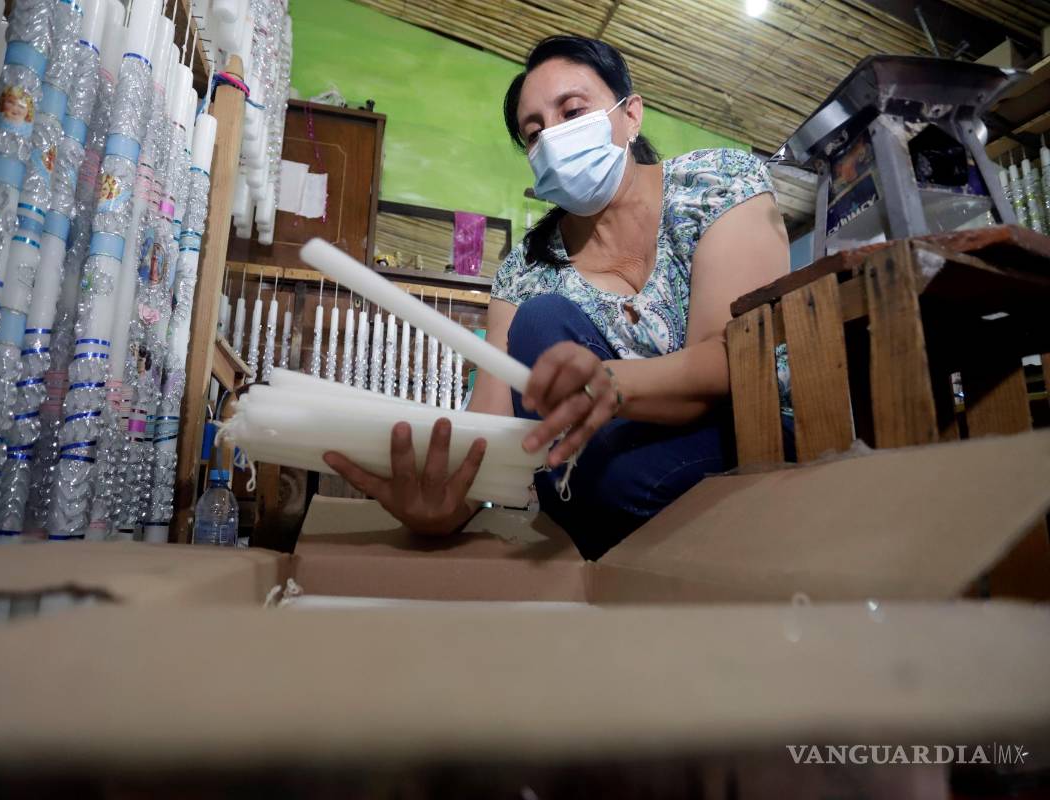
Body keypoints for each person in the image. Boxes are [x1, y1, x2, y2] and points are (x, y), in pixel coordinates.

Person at [325, 35, 790, 560]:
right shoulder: (525, 271)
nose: (554, 137)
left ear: (630, 114)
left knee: (607, 484)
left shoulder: (717, 185)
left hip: (745, 435)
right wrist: (442, 507)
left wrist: (611, 383)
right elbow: (493, 432)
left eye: (572, 110)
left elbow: (732, 358)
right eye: (534, 132)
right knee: (542, 326)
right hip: (612, 471)